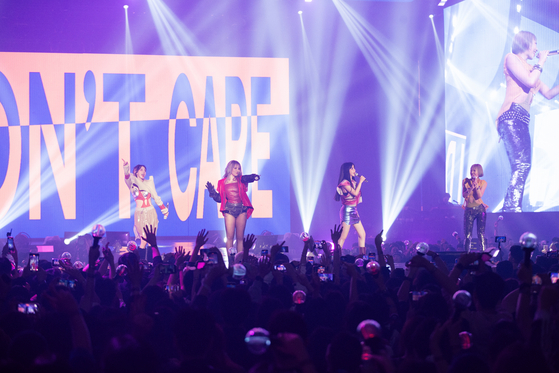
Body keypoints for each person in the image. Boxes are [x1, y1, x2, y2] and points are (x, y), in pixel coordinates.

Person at [496, 30, 559, 212]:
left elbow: (548, 94)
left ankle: (511, 207)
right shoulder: (512, 58)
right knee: (521, 164)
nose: (537, 48)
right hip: (511, 115)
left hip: (522, 119)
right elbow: (531, 82)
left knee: (524, 164)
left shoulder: (532, 70)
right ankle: (511, 208)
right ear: (525, 43)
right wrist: (541, 62)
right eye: (535, 44)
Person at [206, 160, 259, 253]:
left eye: (239, 168)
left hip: (241, 209)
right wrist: (212, 193)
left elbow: (247, 178)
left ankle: (239, 260)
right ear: (230, 168)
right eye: (235, 168)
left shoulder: (240, 179)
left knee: (240, 237)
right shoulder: (222, 182)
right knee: (230, 237)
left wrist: (254, 177)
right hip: (229, 209)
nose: (237, 170)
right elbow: (220, 198)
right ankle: (231, 261)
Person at [122, 159, 169, 254]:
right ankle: (141, 264)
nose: (144, 172)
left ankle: (153, 263)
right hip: (139, 214)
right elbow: (127, 177)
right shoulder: (132, 183)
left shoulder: (149, 183)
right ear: (136, 171)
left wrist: (164, 210)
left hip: (151, 213)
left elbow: (156, 197)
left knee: (151, 240)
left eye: (145, 170)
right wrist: (126, 167)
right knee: (143, 240)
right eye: (141, 170)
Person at [334, 162, 366, 255]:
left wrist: (358, 182)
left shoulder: (353, 182)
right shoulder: (344, 183)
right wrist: (360, 182)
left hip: (354, 210)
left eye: (354, 168)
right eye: (352, 168)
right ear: (346, 170)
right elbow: (355, 193)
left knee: (362, 234)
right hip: (347, 210)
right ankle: (337, 257)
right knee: (343, 236)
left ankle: (362, 257)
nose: (354, 170)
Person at [462, 164, 488, 252]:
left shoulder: (483, 182)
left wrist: (476, 185)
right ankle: (466, 255)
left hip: (480, 209)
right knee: (467, 234)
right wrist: (471, 187)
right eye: (471, 170)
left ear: (479, 172)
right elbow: (464, 195)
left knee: (480, 233)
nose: (472, 172)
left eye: (474, 170)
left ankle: (483, 254)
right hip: (469, 210)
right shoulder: (465, 181)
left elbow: (479, 196)